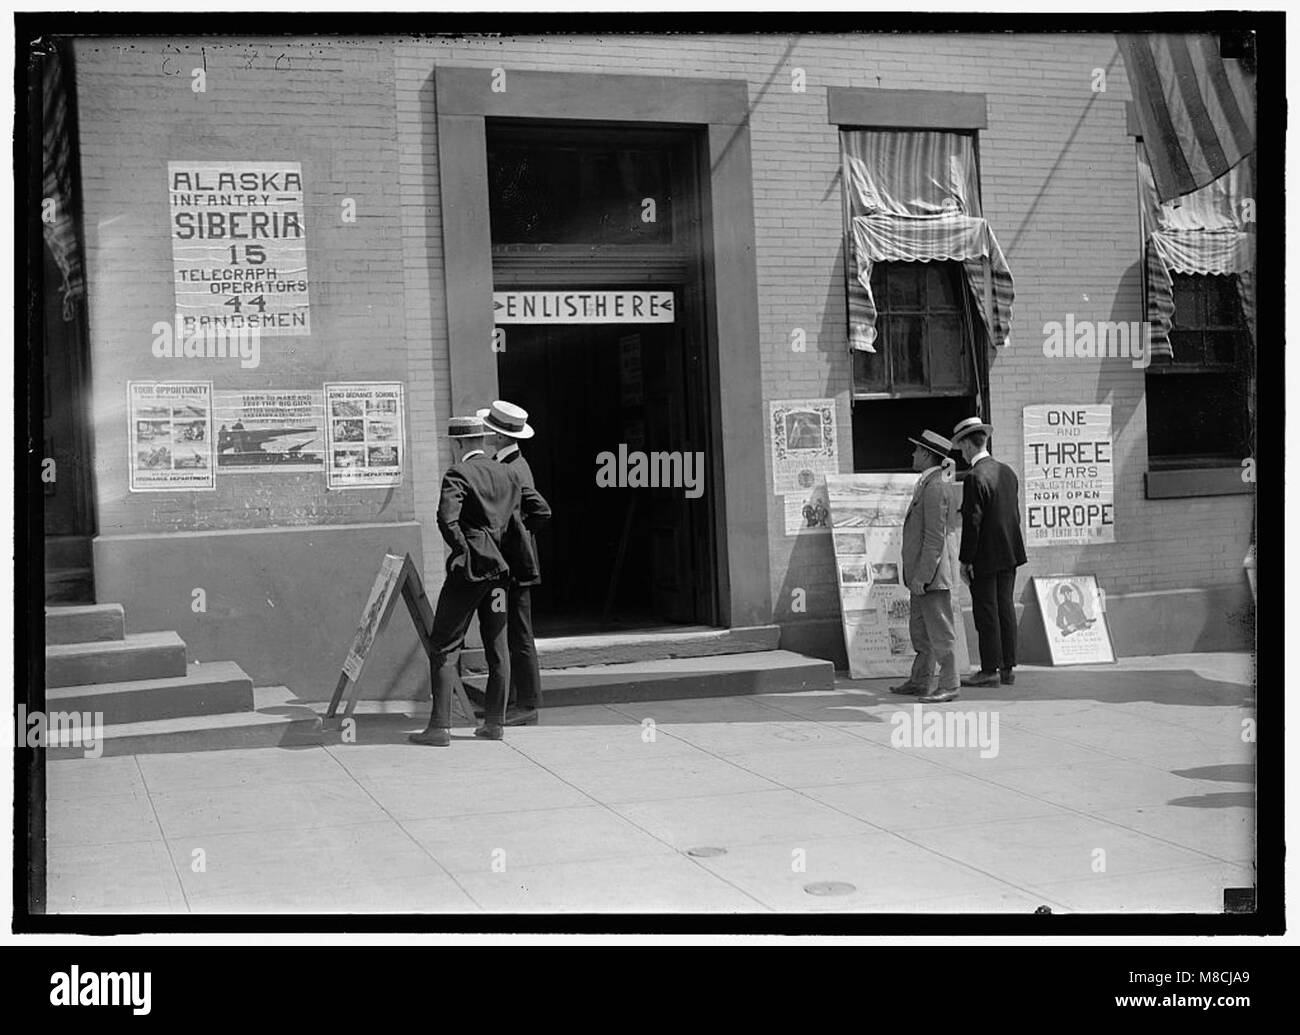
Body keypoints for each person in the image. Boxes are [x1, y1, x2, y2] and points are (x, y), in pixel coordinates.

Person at [410, 415, 550, 747]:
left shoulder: (458, 473)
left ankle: (439, 728)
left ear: (457, 444)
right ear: (483, 440)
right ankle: (494, 723)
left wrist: (465, 549)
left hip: (470, 574)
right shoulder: (507, 472)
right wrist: (507, 539)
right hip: (500, 576)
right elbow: (540, 511)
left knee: (444, 644)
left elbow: (447, 519)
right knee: (498, 647)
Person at [476, 400, 547, 727]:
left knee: (519, 634)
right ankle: (511, 700)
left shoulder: (515, 469)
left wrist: (518, 537)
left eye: (492, 430)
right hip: (510, 562)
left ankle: (528, 703)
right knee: (510, 632)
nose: (488, 433)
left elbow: (540, 511)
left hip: (517, 565)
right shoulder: (505, 462)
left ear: (502, 437)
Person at [952, 416, 1027, 688]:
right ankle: (1008, 667)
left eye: (960, 447)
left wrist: (965, 560)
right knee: (1005, 607)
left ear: (968, 446)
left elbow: (973, 523)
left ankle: (988, 669)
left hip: (985, 555)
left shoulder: (974, 477)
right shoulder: (1007, 471)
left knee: (986, 611)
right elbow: (1013, 515)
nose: (960, 452)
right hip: (1010, 552)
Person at [890, 429, 962, 703]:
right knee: (920, 632)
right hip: (922, 576)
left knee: (941, 633)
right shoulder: (927, 484)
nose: (912, 454)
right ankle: (920, 680)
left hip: (931, 578)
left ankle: (949, 684)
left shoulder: (935, 487)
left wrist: (922, 576)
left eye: (916, 450)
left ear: (926, 454)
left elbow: (935, 537)